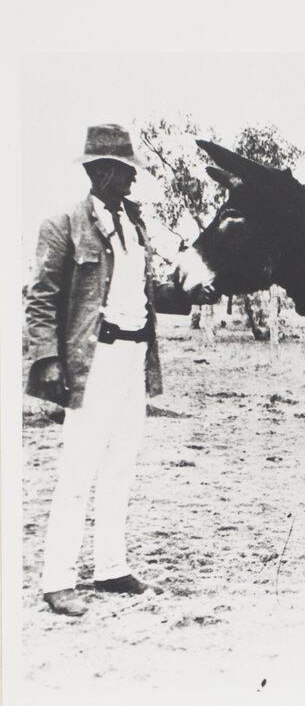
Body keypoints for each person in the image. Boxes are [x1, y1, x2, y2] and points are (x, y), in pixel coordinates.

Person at [25, 124, 194, 616]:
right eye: (124, 172)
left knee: (120, 464)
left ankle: (110, 567)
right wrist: (49, 360)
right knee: (78, 470)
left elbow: (144, 294)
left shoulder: (135, 228)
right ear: (100, 172)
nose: (132, 181)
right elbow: (41, 301)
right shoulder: (63, 225)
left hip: (132, 360)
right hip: (92, 362)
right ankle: (57, 580)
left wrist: (187, 295)